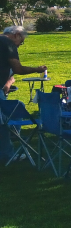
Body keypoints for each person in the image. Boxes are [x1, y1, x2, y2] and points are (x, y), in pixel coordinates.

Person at [0, 26, 47, 163]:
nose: (20, 45)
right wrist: (37, 69)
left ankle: (8, 146)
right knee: (3, 121)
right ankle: (7, 153)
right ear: (17, 35)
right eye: (22, 41)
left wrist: (8, 81)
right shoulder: (8, 44)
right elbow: (18, 69)